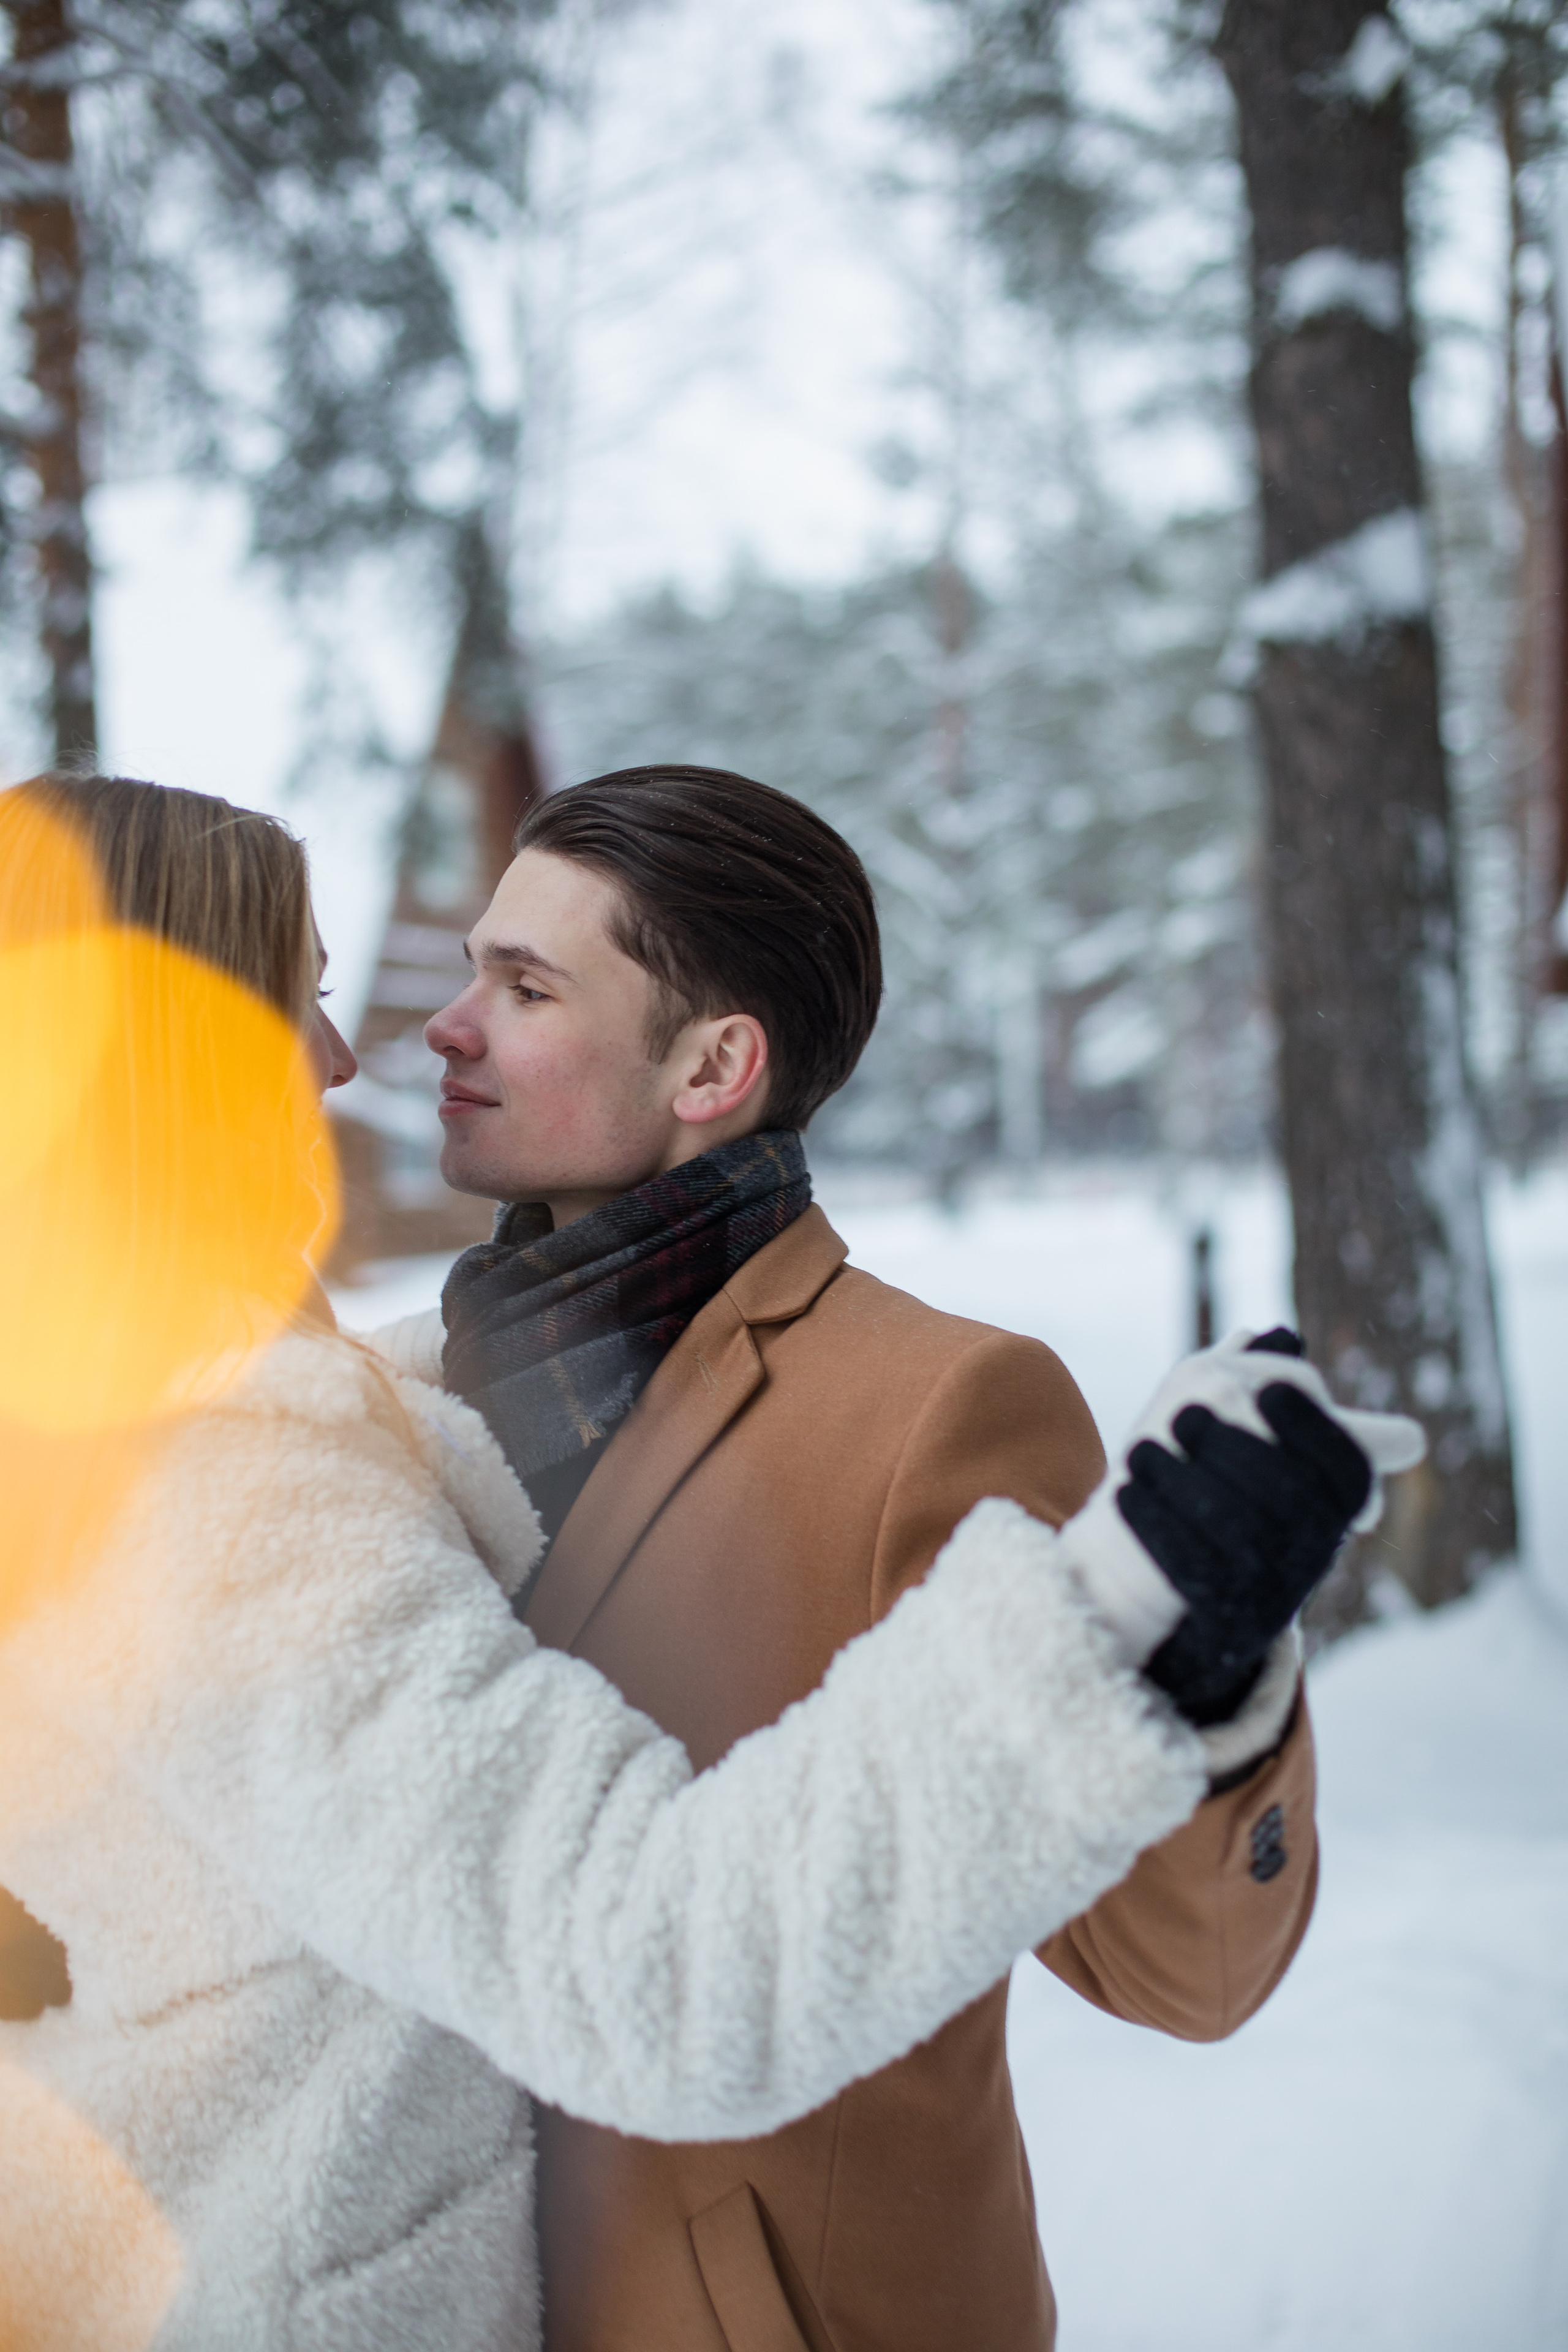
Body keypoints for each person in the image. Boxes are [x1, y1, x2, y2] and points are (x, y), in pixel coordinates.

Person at [0, 771, 1417, 2352]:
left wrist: (1198, 1641)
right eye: (468, 971)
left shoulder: (932, 1408)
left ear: (714, 1065)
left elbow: (1179, 1966)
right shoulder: (367, 1408)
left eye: (524, 987)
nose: (434, 1033)